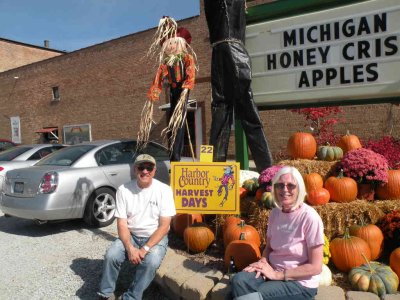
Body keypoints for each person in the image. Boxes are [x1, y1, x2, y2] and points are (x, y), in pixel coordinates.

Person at [230, 166, 324, 300]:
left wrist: (277, 275)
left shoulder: (310, 218)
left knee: (252, 295)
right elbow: (269, 247)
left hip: (299, 282)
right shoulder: (275, 213)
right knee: (239, 281)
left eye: (291, 185)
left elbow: (315, 267)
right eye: (280, 185)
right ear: (274, 188)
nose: (285, 189)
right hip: (272, 271)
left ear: (300, 189)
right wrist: (263, 261)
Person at [204, 0, 273, 173]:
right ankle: (267, 170)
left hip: (221, 50)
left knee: (221, 111)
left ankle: (215, 171)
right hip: (231, 49)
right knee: (244, 108)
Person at [98, 154, 176, 300]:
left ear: (154, 170)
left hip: (155, 237)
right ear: (135, 169)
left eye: (149, 167)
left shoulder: (164, 190)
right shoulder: (123, 190)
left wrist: (144, 249)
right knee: (112, 255)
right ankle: (105, 293)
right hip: (132, 235)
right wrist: (130, 248)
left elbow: (164, 226)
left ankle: (131, 297)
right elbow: (121, 223)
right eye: (141, 167)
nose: (145, 171)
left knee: (150, 262)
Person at [137, 16, 197, 162]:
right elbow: (157, 81)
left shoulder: (187, 57)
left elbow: (191, 73)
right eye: (168, 44)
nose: (171, 47)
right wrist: (152, 99)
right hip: (172, 91)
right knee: (172, 122)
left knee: (179, 121)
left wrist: (186, 89)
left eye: (174, 43)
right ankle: (173, 155)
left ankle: (176, 155)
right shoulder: (165, 63)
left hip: (183, 90)